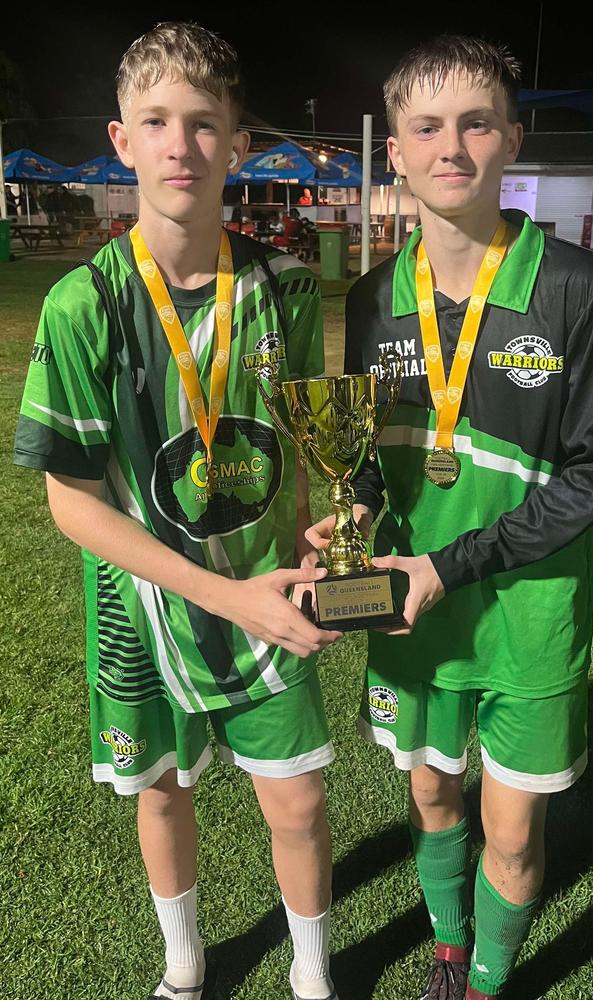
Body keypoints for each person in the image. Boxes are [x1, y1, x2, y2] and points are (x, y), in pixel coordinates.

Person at [14, 21, 341, 1000]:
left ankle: (314, 975)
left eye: (204, 124)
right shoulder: (84, 304)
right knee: (162, 791)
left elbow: (296, 438)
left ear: (238, 143)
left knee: (300, 801)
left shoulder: (283, 285)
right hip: (139, 606)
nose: (180, 144)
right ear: (122, 140)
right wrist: (220, 593)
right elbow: (72, 505)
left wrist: (312, 531)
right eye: (156, 121)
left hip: (263, 593)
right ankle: (184, 965)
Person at [307, 34, 593, 1000]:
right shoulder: (374, 299)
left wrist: (450, 564)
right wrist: (351, 516)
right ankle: (449, 944)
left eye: (476, 122)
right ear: (397, 154)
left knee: (514, 826)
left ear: (511, 140)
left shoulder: (578, 287)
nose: (452, 146)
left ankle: (487, 980)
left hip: (527, 615)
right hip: (406, 609)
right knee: (428, 790)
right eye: (426, 128)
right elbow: (367, 460)